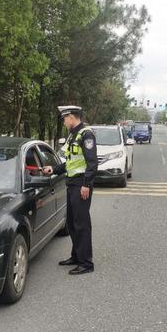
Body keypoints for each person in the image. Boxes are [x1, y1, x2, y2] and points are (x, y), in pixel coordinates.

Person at [42, 106, 97, 275]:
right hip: (72, 183)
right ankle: (76, 256)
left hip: (81, 184)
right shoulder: (73, 134)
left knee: (81, 224)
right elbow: (71, 162)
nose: (64, 122)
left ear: (72, 117)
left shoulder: (86, 134)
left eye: (65, 118)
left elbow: (92, 163)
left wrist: (86, 185)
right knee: (72, 223)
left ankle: (86, 263)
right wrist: (54, 169)